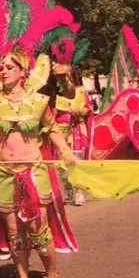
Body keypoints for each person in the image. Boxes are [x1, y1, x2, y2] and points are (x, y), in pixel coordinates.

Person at [0, 47, 76, 278]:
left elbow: (52, 130)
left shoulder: (39, 101)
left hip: (33, 171)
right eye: (1, 68)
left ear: (23, 72)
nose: (3, 71)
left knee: (39, 230)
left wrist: (66, 151)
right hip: (1, 172)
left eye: (9, 67)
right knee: (14, 231)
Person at [54, 76, 91, 206]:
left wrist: (79, 110)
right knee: (62, 164)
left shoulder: (80, 91)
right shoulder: (54, 94)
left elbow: (88, 109)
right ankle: (68, 191)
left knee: (77, 162)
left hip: (78, 131)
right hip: (60, 132)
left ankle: (79, 193)